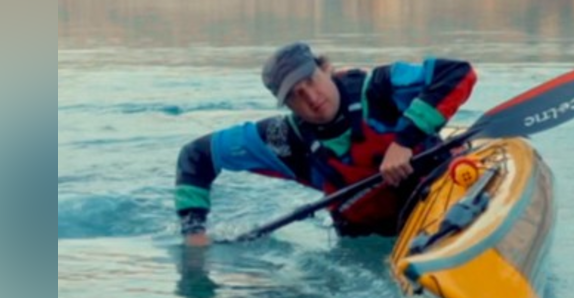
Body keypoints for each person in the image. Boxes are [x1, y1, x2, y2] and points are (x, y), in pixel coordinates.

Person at [175, 42, 477, 246]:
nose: (310, 96)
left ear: (326, 68)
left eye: (310, 81)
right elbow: (197, 155)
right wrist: (193, 231)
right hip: (368, 241)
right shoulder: (284, 140)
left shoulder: (380, 88)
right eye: (295, 94)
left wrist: (405, 141)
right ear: (287, 105)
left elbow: (458, 72)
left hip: (441, 198)